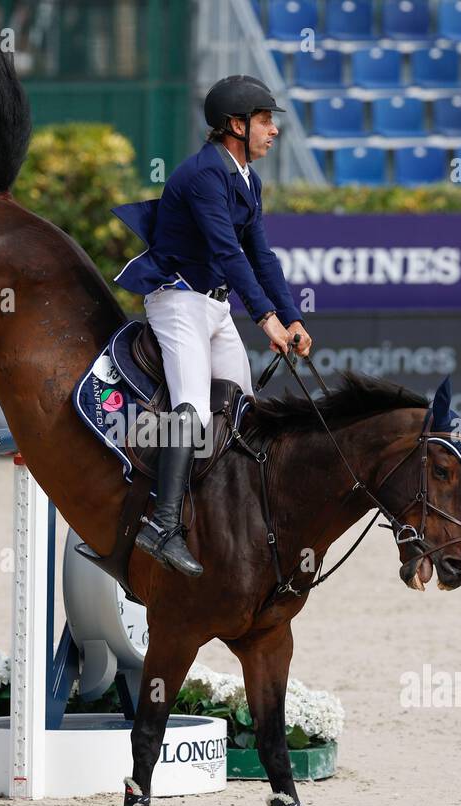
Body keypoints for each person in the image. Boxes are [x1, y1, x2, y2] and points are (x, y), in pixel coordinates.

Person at [112, 75, 310, 578]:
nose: (273, 131)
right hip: (178, 301)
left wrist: (292, 317)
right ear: (235, 126)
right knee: (194, 411)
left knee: (243, 409)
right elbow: (227, 251)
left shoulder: (248, 179)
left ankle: (221, 519)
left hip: (215, 307)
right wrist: (266, 319)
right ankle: (162, 525)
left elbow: (260, 256)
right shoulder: (203, 175)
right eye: (265, 122)